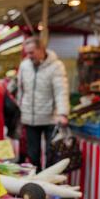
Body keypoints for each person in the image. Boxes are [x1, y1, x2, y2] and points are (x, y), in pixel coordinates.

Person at [18, 36, 70, 171]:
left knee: (51, 153)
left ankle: (49, 183)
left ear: (41, 49)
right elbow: (21, 89)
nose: (29, 56)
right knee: (32, 154)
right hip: (30, 117)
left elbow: (61, 91)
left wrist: (63, 113)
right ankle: (35, 182)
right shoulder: (24, 65)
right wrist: (20, 107)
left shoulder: (56, 66)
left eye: (31, 52)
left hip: (50, 117)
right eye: (27, 53)